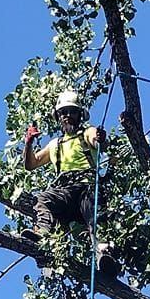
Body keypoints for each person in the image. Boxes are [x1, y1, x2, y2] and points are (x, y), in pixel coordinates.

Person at [23, 89, 108, 261]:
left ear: (79, 115)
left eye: (72, 111)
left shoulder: (86, 133)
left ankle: (103, 255)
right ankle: (42, 232)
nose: (68, 115)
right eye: (64, 112)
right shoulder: (55, 144)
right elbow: (31, 164)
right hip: (66, 193)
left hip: (86, 188)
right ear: (58, 116)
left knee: (94, 220)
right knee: (43, 198)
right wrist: (28, 143)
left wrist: (100, 139)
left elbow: (96, 140)